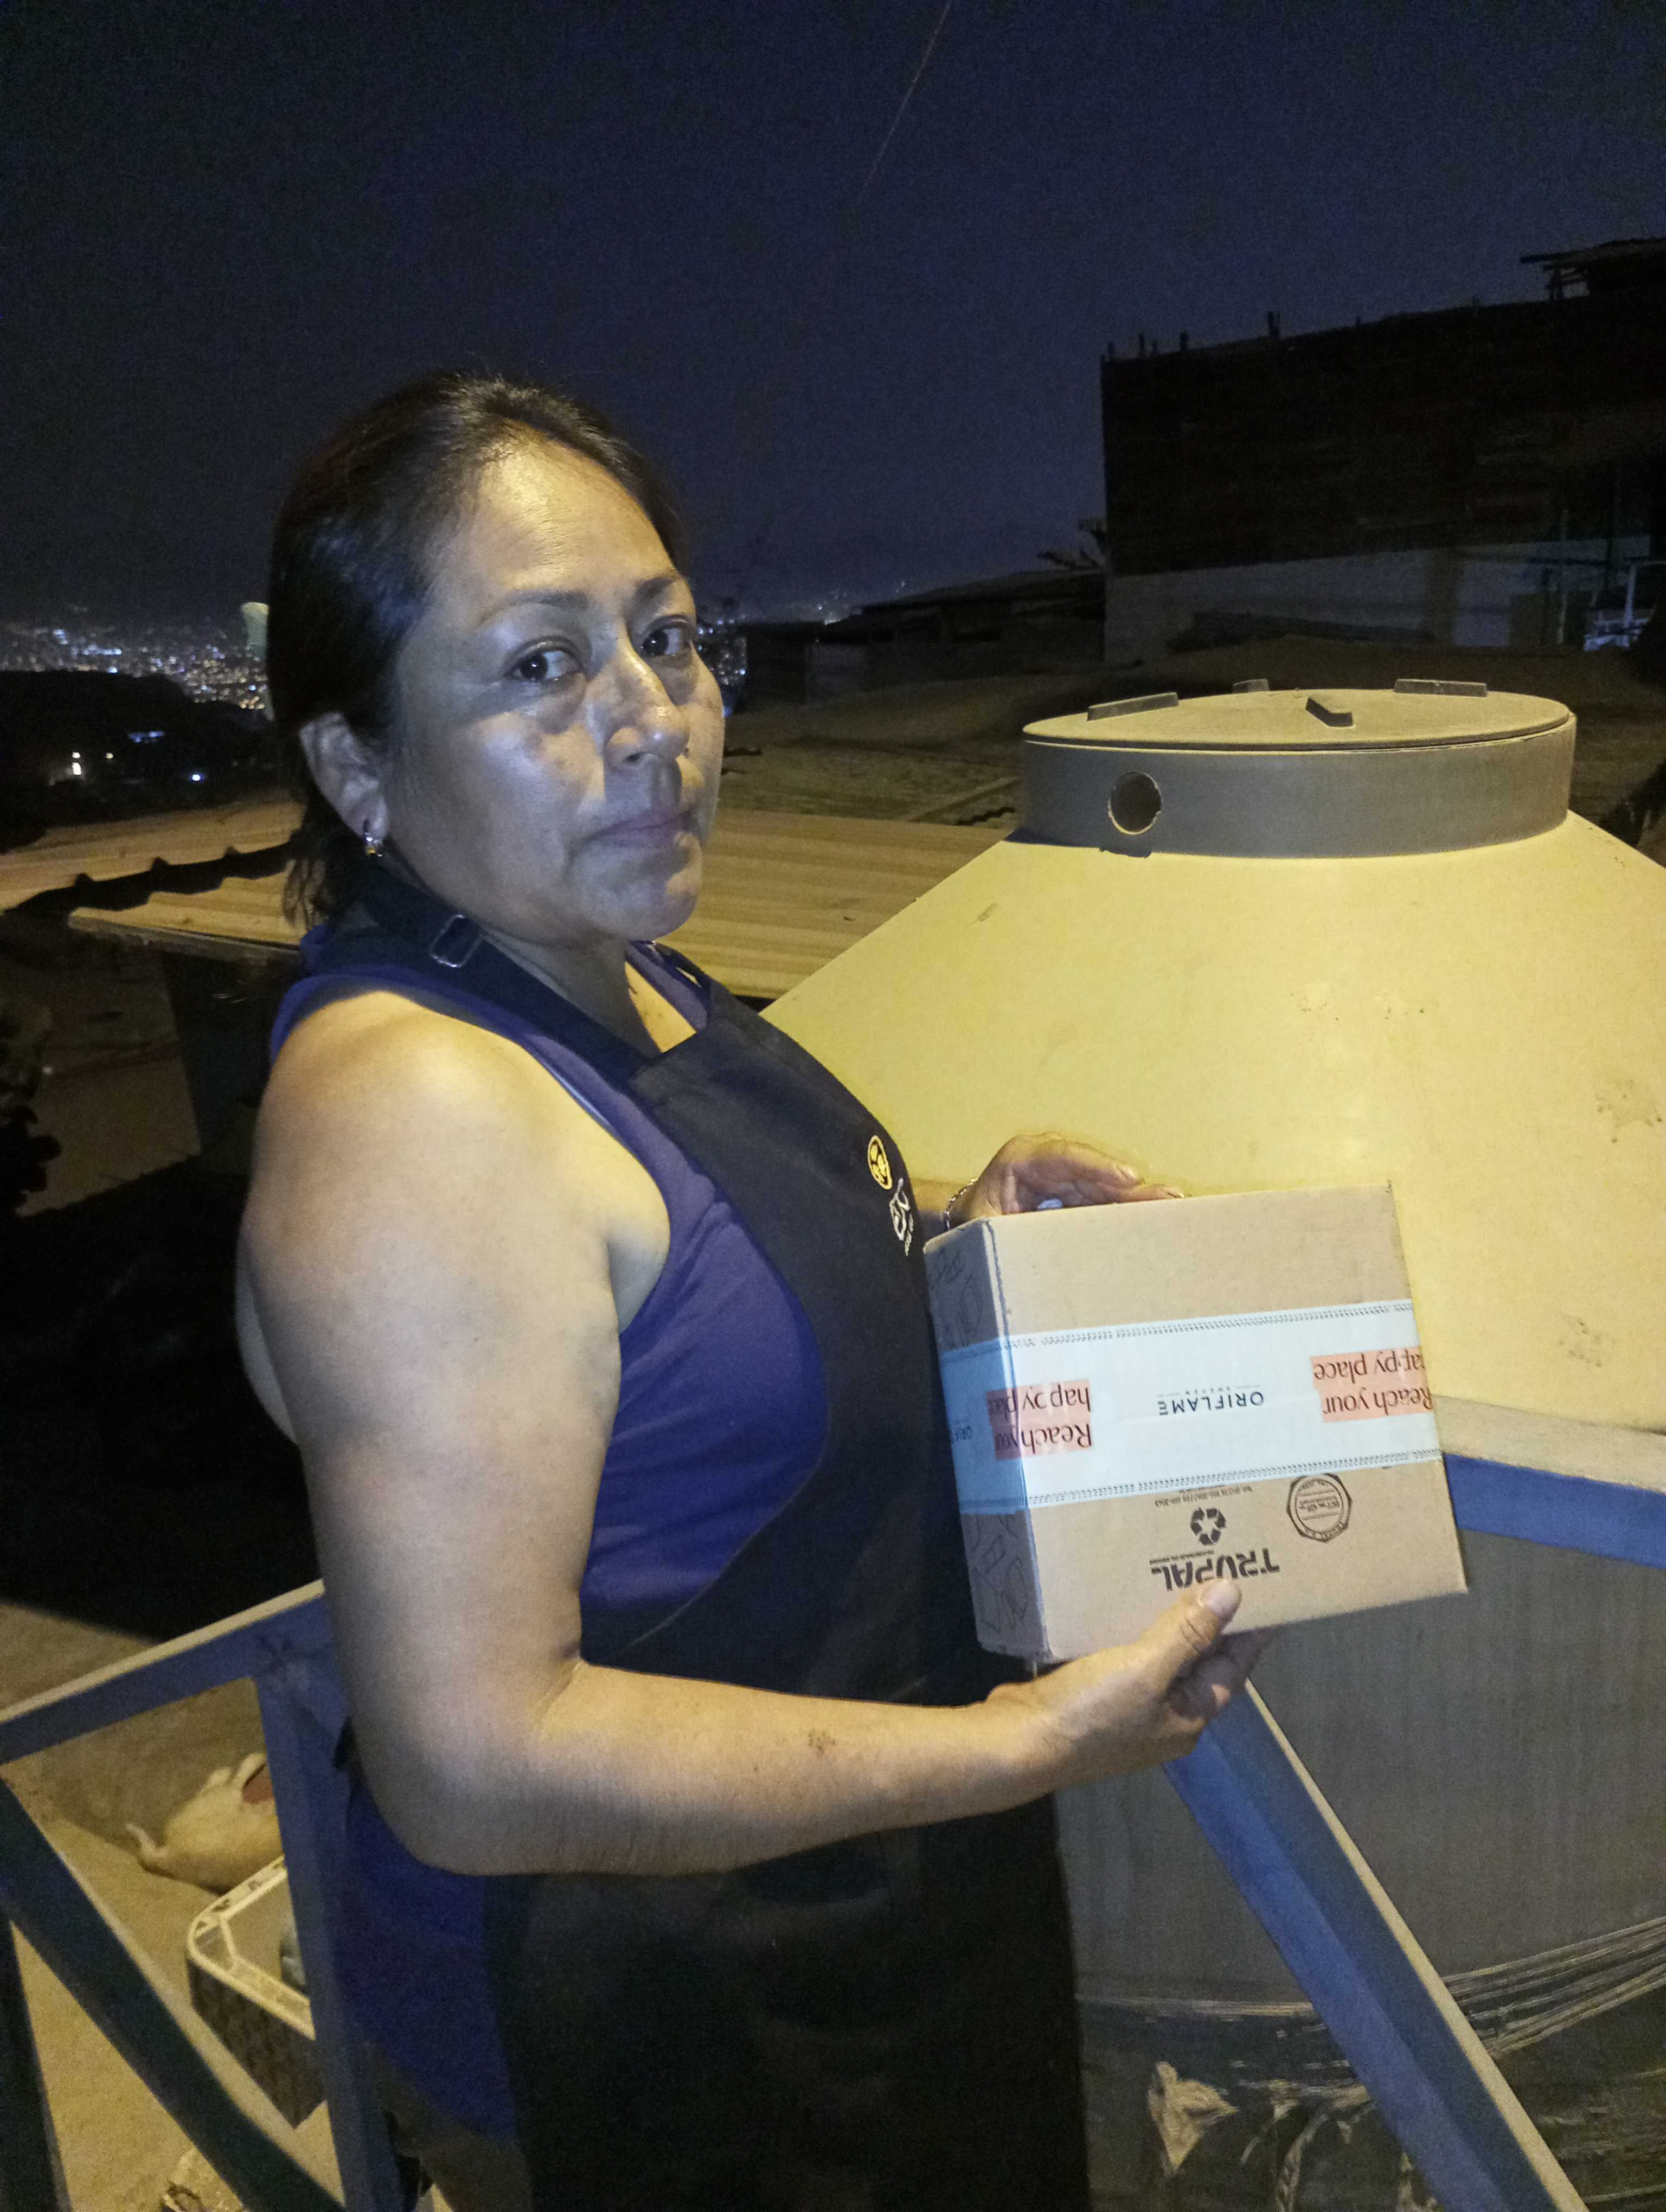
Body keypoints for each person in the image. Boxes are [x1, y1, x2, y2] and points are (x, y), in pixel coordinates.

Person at [236, 370, 1266, 2212]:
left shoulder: (613, 964)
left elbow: (675, 1281)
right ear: (361, 767)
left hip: (847, 1921)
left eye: (666, 638)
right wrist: (1022, 1744)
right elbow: (475, 1760)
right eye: (540, 666)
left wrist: (949, 1226)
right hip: (656, 2024)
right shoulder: (416, 1111)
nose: (655, 722)